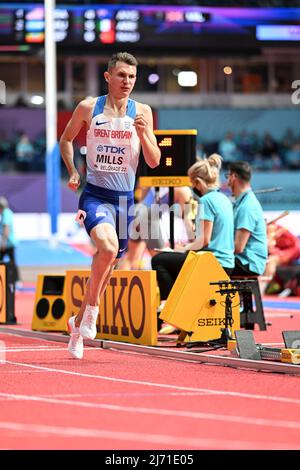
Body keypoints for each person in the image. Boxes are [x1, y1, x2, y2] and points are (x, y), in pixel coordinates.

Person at [59, 52, 161, 359]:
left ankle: (77, 324)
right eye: (121, 75)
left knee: (107, 269)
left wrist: (144, 134)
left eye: (131, 77)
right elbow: (65, 140)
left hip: (124, 201)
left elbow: (154, 161)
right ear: (108, 76)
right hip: (95, 195)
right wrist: (74, 171)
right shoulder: (89, 107)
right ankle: (92, 311)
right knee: (106, 247)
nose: (127, 82)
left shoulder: (142, 111)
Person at [151, 154, 235, 332]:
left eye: (192, 184)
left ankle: (170, 310)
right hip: (227, 262)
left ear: (198, 182)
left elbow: (203, 240)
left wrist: (180, 249)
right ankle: (179, 312)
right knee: (173, 260)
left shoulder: (206, 200)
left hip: (212, 263)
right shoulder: (225, 199)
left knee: (159, 261)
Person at [226, 161, 268, 315]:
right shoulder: (240, 203)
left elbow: (238, 247)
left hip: (248, 262)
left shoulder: (247, 206)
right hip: (244, 258)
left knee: (208, 266)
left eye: (228, 176)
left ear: (234, 177)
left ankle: (219, 317)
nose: (226, 180)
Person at [119, 185, 193, 270]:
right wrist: (194, 241)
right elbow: (187, 218)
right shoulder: (183, 189)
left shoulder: (152, 179)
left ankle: (121, 282)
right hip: (147, 216)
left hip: (136, 211)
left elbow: (142, 198)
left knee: (131, 258)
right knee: (159, 258)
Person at [0, 196, 20, 284]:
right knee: (12, 261)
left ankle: (16, 280)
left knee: (9, 261)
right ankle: (17, 280)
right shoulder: (8, 212)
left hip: (8, 243)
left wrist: (3, 242)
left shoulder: (5, 213)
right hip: (10, 242)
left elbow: (6, 228)